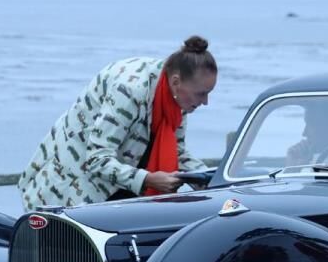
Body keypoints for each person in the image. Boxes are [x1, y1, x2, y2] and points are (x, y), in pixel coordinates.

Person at [18, 36, 217, 209]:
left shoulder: (176, 99)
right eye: (201, 94)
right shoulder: (130, 90)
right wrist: (148, 179)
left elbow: (178, 153)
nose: (206, 102)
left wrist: (212, 180)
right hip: (70, 193)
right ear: (175, 82)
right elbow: (97, 159)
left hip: (116, 193)